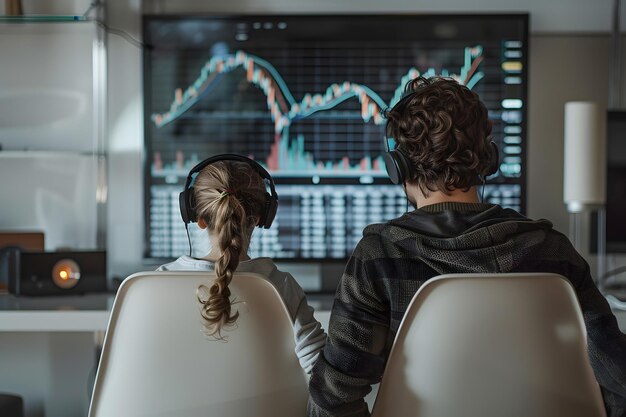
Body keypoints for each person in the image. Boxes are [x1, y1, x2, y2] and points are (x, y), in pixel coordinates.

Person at [307, 76, 626, 416]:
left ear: (398, 166)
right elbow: (618, 379)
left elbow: (333, 398)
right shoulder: (553, 252)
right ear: (487, 157)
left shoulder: (378, 257)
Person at [157, 154, 326, 373]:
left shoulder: (160, 280)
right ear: (260, 218)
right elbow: (321, 369)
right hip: (268, 409)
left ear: (196, 218)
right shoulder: (281, 285)